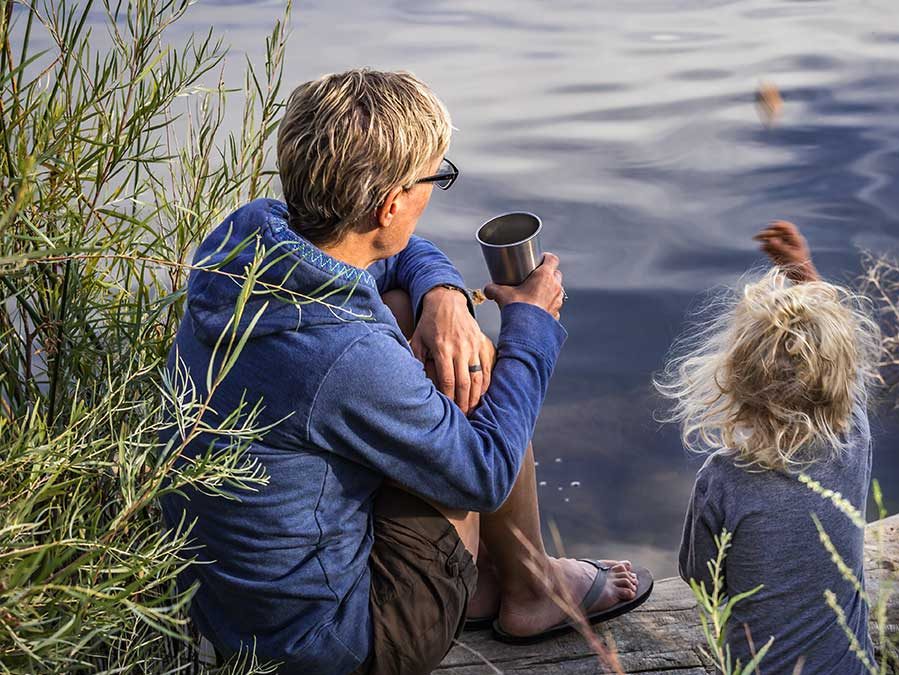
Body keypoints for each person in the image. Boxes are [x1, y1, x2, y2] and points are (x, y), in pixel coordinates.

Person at [159, 69, 651, 675]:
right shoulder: (341, 354)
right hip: (333, 647)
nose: (433, 193)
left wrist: (443, 295)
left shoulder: (246, 243)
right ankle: (531, 589)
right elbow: (483, 473)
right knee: (471, 375)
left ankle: (487, 582)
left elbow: (397, 258)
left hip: (240, 612)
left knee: (406, 310)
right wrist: (530, 322)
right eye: (435, 179)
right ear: (390, 204)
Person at [659, 220, 880, 673]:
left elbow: (700, 577)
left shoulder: (724, 480)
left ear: (737, 384)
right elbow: (842, 361)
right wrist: (803, 270)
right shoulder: (853, 437)